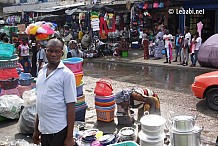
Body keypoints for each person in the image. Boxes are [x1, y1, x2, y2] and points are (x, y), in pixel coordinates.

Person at [33, 38, 77, 146]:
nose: (53, 54)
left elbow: (71, 106)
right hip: (44, 130)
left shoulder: (67, 75)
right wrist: (36, 129)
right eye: (50, 51)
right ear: (45, 51)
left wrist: (69, 137)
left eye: (57, 51)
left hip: (59, 130)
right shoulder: (41, 72)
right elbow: (40, 102)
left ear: (62, 53)